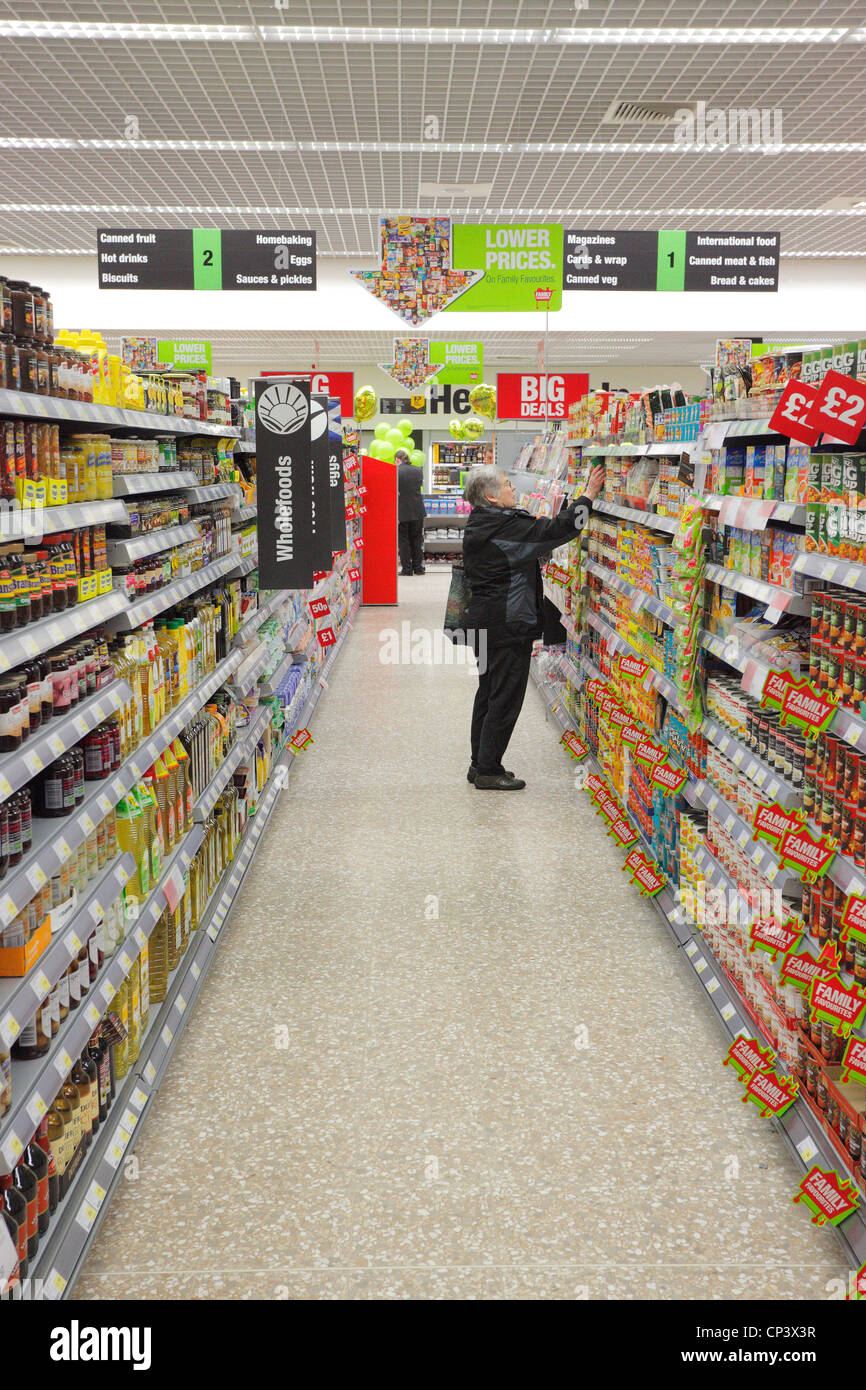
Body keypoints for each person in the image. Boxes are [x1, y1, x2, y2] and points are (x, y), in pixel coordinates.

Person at [462, 462, 605, 790]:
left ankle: (479, 763)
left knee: (488, 692)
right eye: (507, 484)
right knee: (505, 697)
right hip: (507, 624)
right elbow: (560, 531)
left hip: (485, 620)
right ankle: (488, 770)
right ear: (491, 496)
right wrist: (588, 496)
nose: (513, 488)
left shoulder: (483, 521)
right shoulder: (504, 528)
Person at [396, 448, 426, 576]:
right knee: (417, 539)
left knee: (404, 540)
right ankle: (418, 568)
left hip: (402, 510)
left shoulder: (396, 471)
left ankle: (407, 569)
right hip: (418, 509)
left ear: (397, 460)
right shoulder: (418, 470)